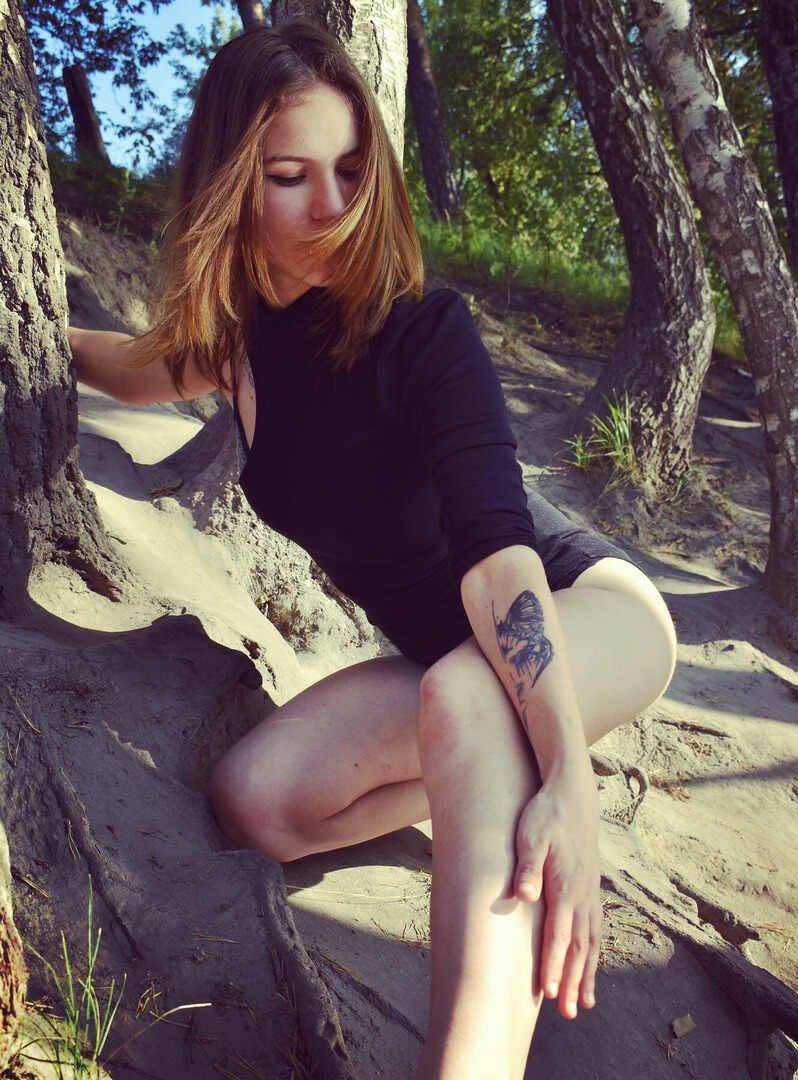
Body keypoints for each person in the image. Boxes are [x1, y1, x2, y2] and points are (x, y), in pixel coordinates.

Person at [68, 20, 677, 1080]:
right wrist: (30, 321)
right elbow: (128, 368)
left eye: (351, 170)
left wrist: (571, 784)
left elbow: (498, 563)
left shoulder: (424, 330)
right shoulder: (239, 343)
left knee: (464, 697)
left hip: (585, 613)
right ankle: (486, 766)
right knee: (256, 802)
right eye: (290, 176)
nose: (332, 207)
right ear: (230, 187)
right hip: (453, 666)